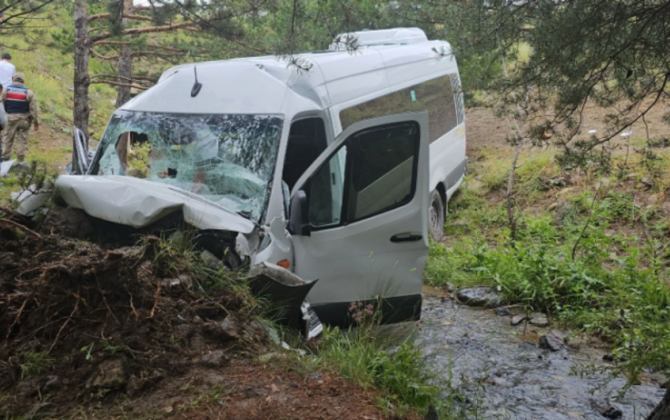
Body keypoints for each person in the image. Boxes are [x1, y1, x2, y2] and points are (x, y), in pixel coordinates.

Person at [1, 73, 39, 162]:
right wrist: (36, 123)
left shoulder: (6, 90)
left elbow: (1, 104)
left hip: (10, 119)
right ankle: (20, 160)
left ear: (12, 79)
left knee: (7, 139)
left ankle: (5, 160)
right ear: (23, 81)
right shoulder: (28, 92)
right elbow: (33, 109)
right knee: (22, 139)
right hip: (24, 120)